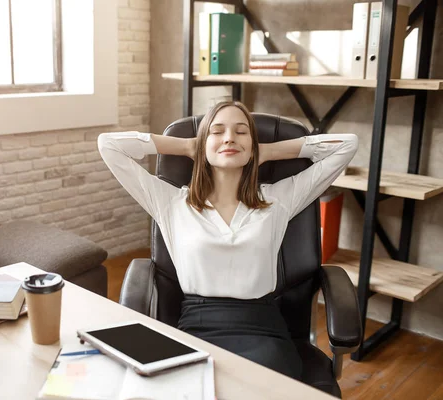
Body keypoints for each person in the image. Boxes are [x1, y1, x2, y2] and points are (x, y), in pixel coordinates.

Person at [97, 101, 358, 380]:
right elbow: (109, 145)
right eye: (217, 131)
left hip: (263, 330)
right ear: (203, 143)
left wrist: (268, 151)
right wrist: (185, 147)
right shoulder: (170, 202)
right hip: (197, 329)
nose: (230, 138)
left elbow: (347, 145)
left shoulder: (279, 198)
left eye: (241, 132)